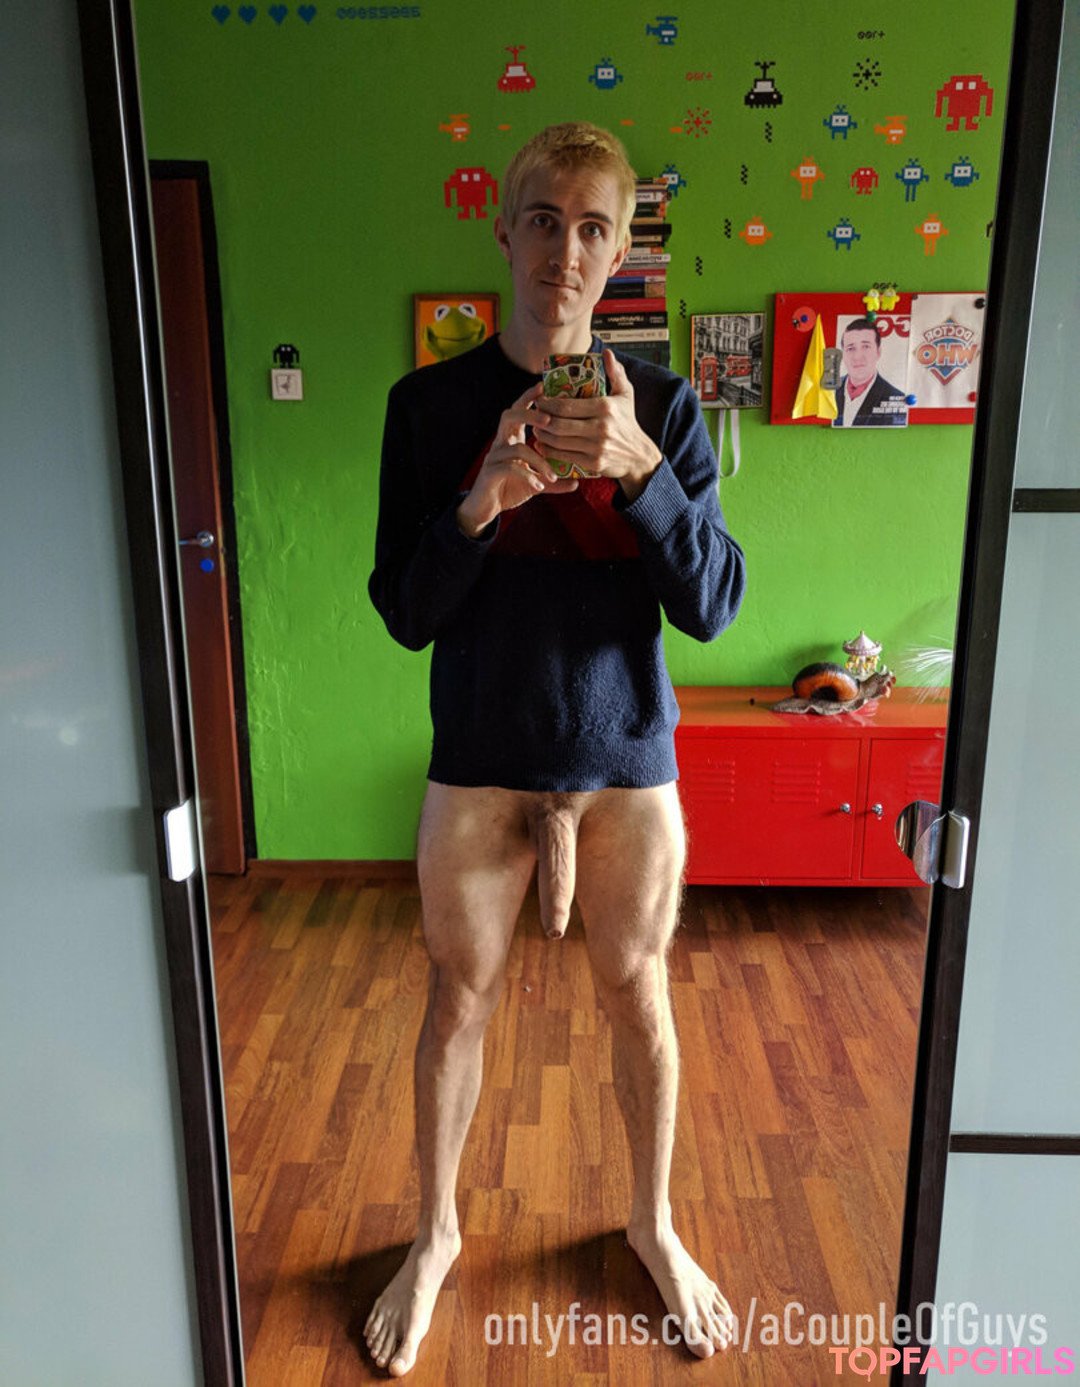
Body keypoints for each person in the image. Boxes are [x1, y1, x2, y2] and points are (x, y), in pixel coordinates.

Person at [365, 121, 746, 1377]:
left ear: (620, 248)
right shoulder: (427, 408)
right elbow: (405, 610)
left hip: (626, 759)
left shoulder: (667, 407)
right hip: (479, 757)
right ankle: (436, 1233)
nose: (564, 251)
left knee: (641, 996)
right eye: (543, 219)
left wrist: (642, 474)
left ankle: (652, 1222)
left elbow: (714, 605)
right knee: (456, 1000)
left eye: (592, 227)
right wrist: (482, 497)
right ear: (505, 229)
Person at [831, 317, 908, 427]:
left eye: (866, 347)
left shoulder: (897, 399)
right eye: (850, 348)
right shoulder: (830, 390)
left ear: (878, 352)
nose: (857, 357)